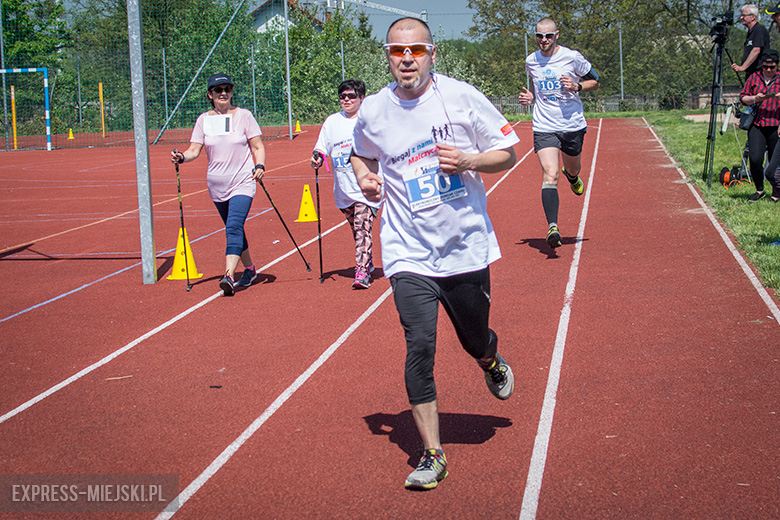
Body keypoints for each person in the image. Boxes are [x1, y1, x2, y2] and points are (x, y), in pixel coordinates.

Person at [350, 17, 519, 491]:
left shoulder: (462, 97)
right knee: (420, 346)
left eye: (416, 50)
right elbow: (360, 154)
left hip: (464, 247)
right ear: (387, 55)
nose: (407, 59)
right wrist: (366, 177)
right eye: (397, 51)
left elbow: (508, 150)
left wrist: (468, 159)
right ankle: (434, 454)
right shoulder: (375, 110)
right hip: (407, 250)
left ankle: (490, 359)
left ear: (432, 54)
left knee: (473, 338)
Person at [170, 73, 266, 296]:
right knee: (235, 228)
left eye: (227, 89)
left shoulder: (244, 115)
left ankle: (229, 275)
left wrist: (260, 165)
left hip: (243, 181)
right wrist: (181, 157)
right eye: (218, 90)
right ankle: (250, 269)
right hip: (216, 184)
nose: (223, 93)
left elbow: (257, 145)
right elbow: (194, 150)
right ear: (209, 95)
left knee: (233, 226)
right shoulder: (203, 120)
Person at [518, 18, 600, 248]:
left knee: (571, 168)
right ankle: (552, 227)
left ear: (557, 35)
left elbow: (596, 81)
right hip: (544, 125)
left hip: (572, 124)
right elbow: (534, 82)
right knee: (549, 174)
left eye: (548, 36)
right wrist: (531, 97)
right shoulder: (531, 60)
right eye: (539, 36)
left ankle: (572, 177)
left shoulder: (572, 57)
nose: (543, 40)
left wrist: (577, 87)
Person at [311, 79, 380, 289]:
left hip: (366, 188)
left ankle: (361, 271)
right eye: (342, 96)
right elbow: (321, 147)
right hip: (343, 188)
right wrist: (318, 157)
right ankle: (367, 262)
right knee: (356, 230)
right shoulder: (332, 122)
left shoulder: (369, 122)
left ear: (361, 98)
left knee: (362, 227)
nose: (346, 100)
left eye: (351, 96)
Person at [739, 49, 780, 201]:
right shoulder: (754, 78)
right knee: (755, 159)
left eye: (772, 67)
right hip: (757, 123)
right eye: (765, 67)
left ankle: (776, 193)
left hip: (776, 124)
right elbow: (743, 97)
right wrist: (755, 98)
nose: (768, 70)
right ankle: (760, 190)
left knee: (774, 163)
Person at [732, 5, 770, 80]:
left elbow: (756, 50)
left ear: (752, 17)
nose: (741, 18)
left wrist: (742, 67)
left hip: (758, 74)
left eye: (743, 15)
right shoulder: (750, 32)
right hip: (751, 74)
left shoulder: (759, 30)